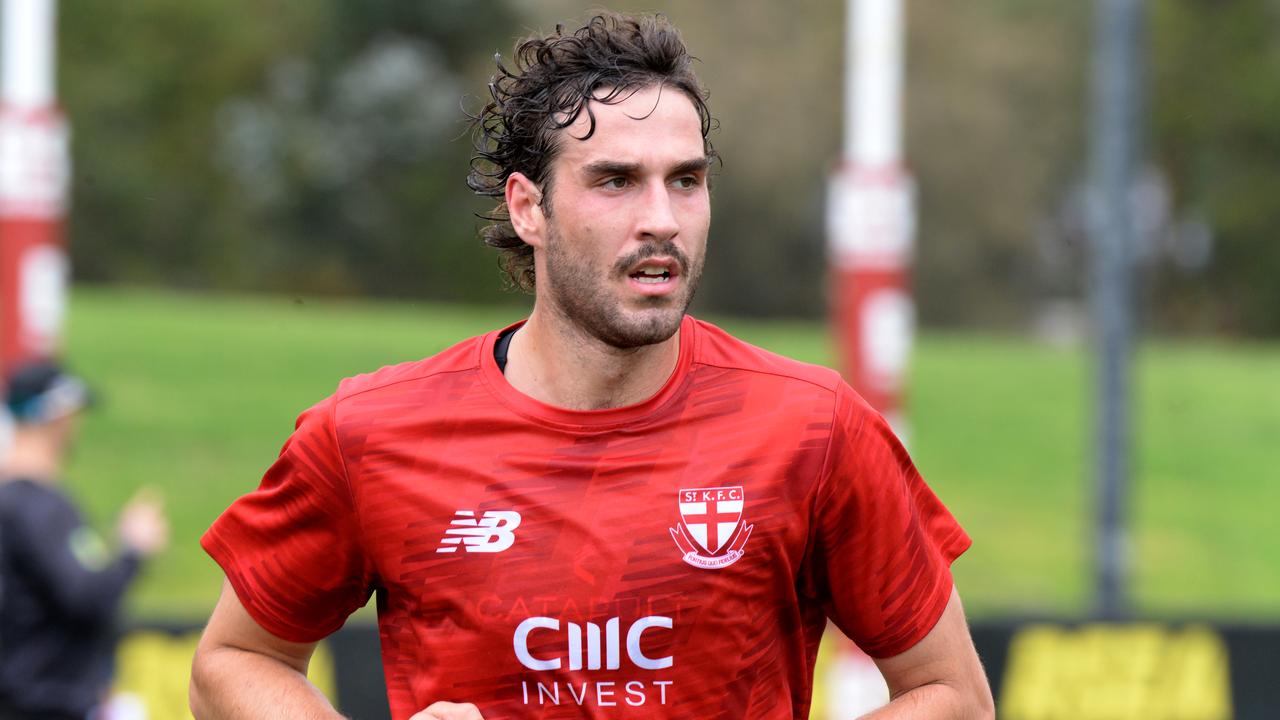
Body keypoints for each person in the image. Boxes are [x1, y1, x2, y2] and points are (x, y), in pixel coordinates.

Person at [190, 12, 994, 720]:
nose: (661, 220)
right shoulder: (370, 433)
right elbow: (234, 661)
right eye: (615, 181)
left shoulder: (814, 427)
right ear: (527, 208)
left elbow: (952, 694)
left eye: (687, 181)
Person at [0, 361, 169, 720]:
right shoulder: (40, 508)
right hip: (44, 705)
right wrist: (132, 550)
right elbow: (87, 598)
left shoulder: (14, 503)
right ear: (56, 416)